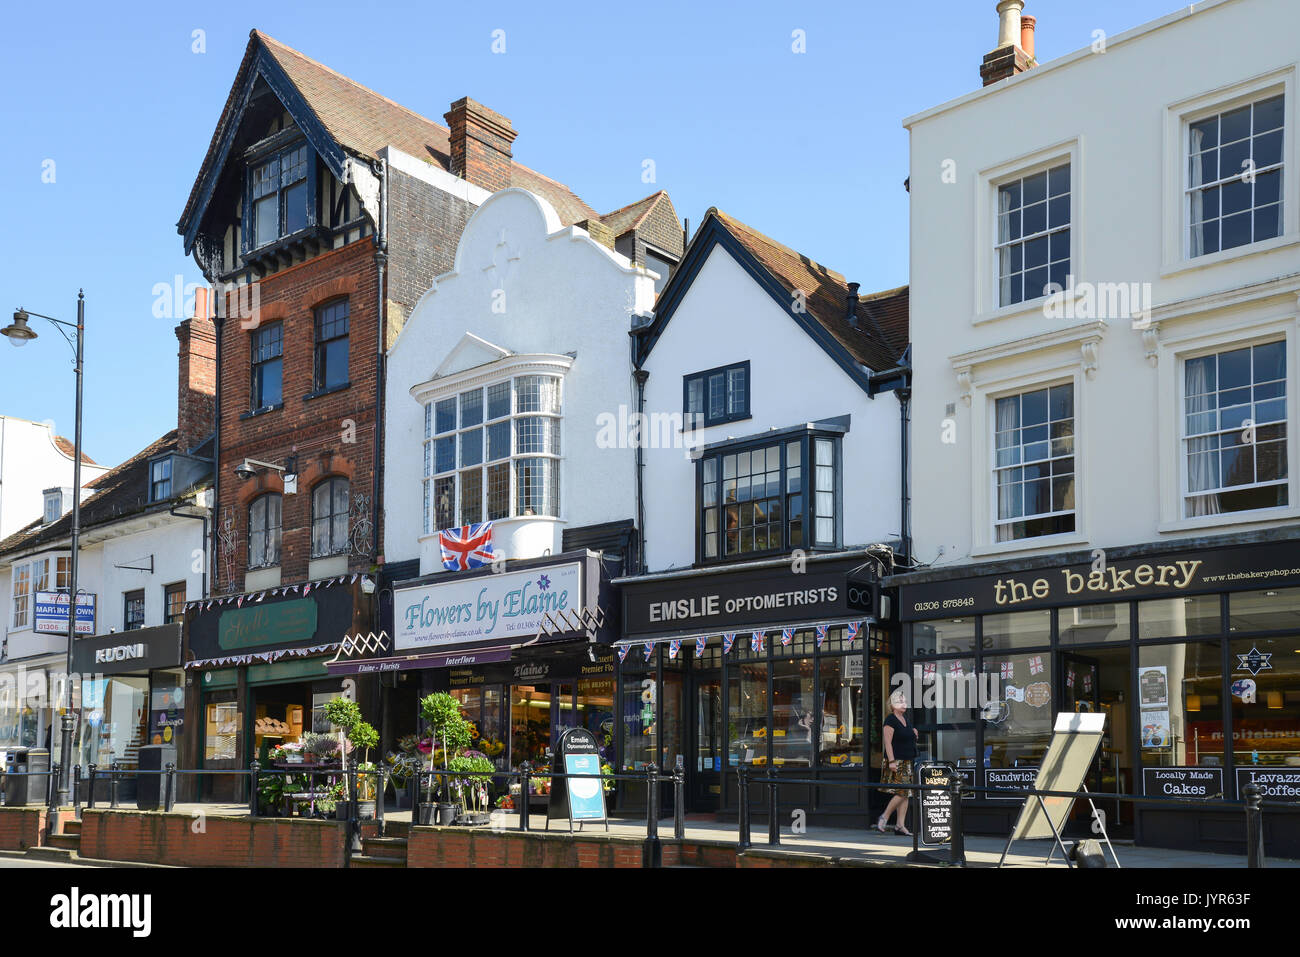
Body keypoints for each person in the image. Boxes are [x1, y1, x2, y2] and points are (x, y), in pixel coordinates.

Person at [877, 689, 918, 835]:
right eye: (900, 701)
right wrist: (892, 761)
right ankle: (885, 816)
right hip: (897, 761)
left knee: (906, 793)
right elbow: (887, 743)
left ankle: (900, 825)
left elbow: (905, 737)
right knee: (902, 791)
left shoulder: (905, 719)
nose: (904, 704)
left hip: (907, 760)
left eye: (905, 701)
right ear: (892, 704)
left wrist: (914, 733)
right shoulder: (890, 720)